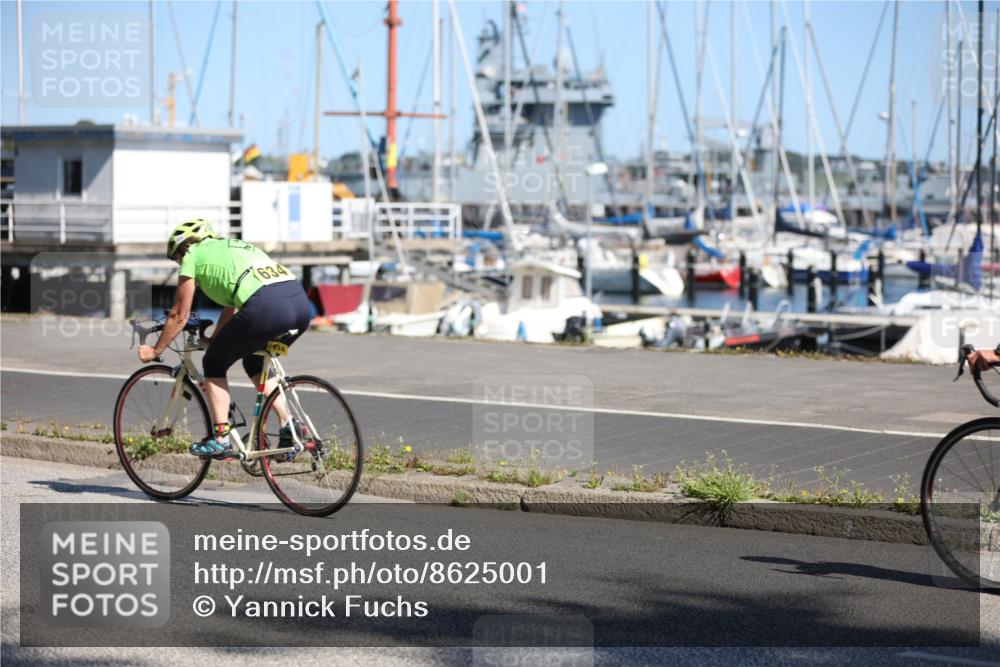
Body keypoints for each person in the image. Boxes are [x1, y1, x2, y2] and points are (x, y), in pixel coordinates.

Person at [137, 218, 312, 459]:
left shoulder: (193, 255)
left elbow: (179, 314)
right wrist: (215, 339)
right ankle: (288, 424)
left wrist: (155, 351)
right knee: (253, 361)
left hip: (266, 306)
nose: (179, 263)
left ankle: (220, 439)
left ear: (185, 246)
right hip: (299, 305)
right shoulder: (236, 246)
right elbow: (232, 307)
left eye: (177, 257)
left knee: (213, 363)